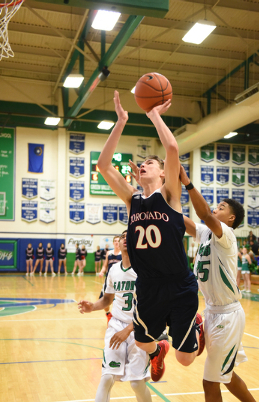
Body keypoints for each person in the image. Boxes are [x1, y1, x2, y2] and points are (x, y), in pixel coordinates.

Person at [96, 91, 203, 382]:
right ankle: (160, 349)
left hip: (179, 283)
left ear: (162, 174)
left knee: (186, 360)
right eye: (141, 164)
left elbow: (170, 147)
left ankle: (195, 327)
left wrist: (154, 114)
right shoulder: (132, 200)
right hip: (148, 285)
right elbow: (103, 166)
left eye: (150, 164)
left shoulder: (169, 195)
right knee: (144, 343)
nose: (143, 165)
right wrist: (120, 122)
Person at [177, 166, 259, 402]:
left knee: (210, 382)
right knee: (225, 376)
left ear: (230, 218)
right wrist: (153, 195)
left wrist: (188, 183)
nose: (215, 208)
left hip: (228, 315)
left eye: (221, 207)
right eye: (215, 205)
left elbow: (203, 214)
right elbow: (179, 220)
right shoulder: (205, 231)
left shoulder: (225, 234)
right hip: (213, 312)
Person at [78, 230, 166, 402]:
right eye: (124, 235)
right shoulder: (114, 269)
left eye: (131, 235)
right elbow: (107, 300)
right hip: (115, 327)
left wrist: (130, 329)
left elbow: (152, 307)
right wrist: (92, 306)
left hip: (138, 329)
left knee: (137, 383)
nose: (127, 238)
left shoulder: (147, 269)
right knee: (106, 378)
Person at [99, 236, 122, 321]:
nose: (116, 242)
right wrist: (102, 271)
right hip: (109, 279)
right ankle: (108, 314)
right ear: (113, 243)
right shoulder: (109, 253)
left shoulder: (123, 253)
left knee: (118, 300)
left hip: (119, 279)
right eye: (115, 241)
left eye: (118, 241)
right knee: (104, 299)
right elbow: (105, 265)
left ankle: (117, 317)